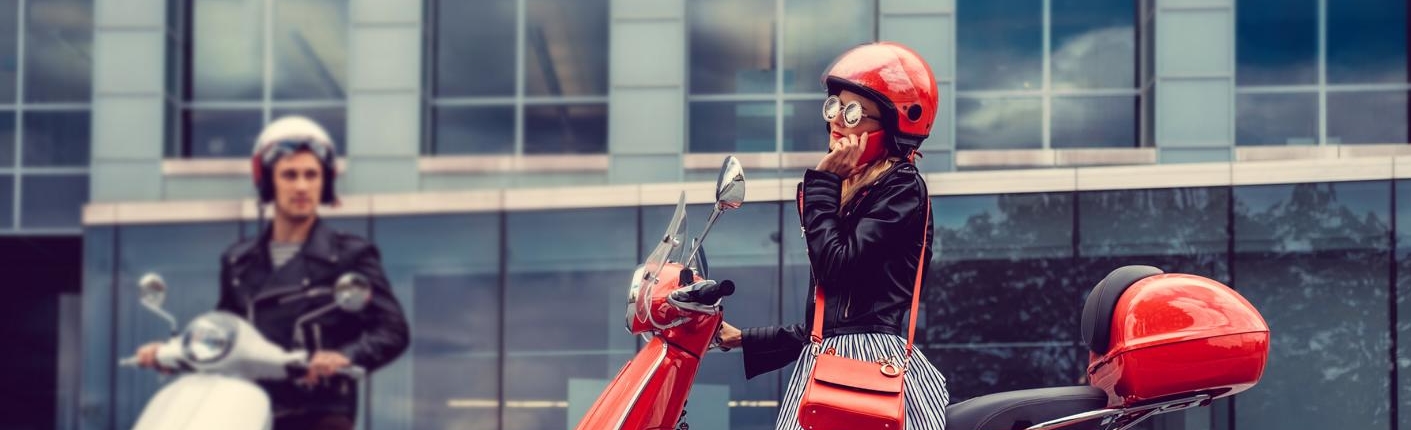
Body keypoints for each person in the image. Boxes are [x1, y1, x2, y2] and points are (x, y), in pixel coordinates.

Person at [716, 42, 949, 429]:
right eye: (834, 107)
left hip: (868, 367)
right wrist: (743, 338)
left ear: (892, 123)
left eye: (853, 111)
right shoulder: (847, 190)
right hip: (832, 362)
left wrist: (823, 183)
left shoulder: (902, 188)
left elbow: (835, 267)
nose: (838, 120)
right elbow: (824, 327)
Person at [135, 116, 410, 430]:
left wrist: (344, 357)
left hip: (320, 410)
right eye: (289, 175)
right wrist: (173, 353)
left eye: (311, 174)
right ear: (267, 182)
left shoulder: (350, 255)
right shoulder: (238, 261)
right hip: (249, 407)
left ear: (325, 183)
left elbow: (393, 330)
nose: (302, 186)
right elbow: (225, 336)